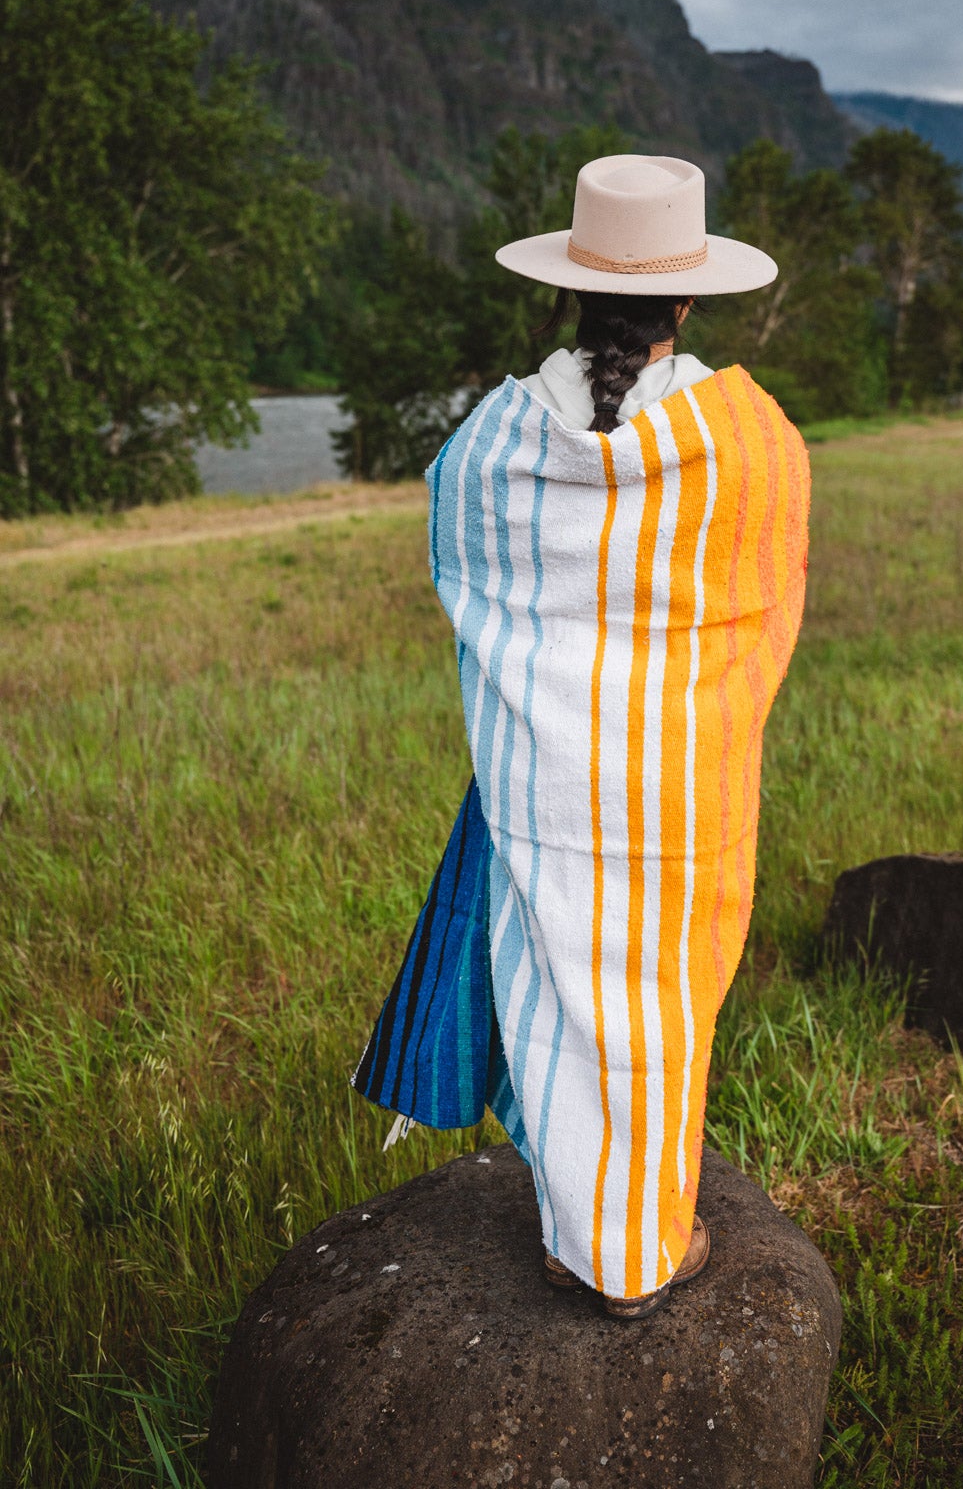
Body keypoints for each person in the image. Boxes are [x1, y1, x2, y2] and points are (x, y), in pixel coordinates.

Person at [355, 153, 810, 1319]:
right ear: (689, 296)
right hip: (679, 789)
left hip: (535, 780)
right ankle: (635, 1247)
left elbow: (466, 580)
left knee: (550, 980)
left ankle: (578, 1231)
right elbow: (764, 602)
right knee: (657, 997)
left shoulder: (489, 442)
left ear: (569, 286)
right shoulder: (746, 438)